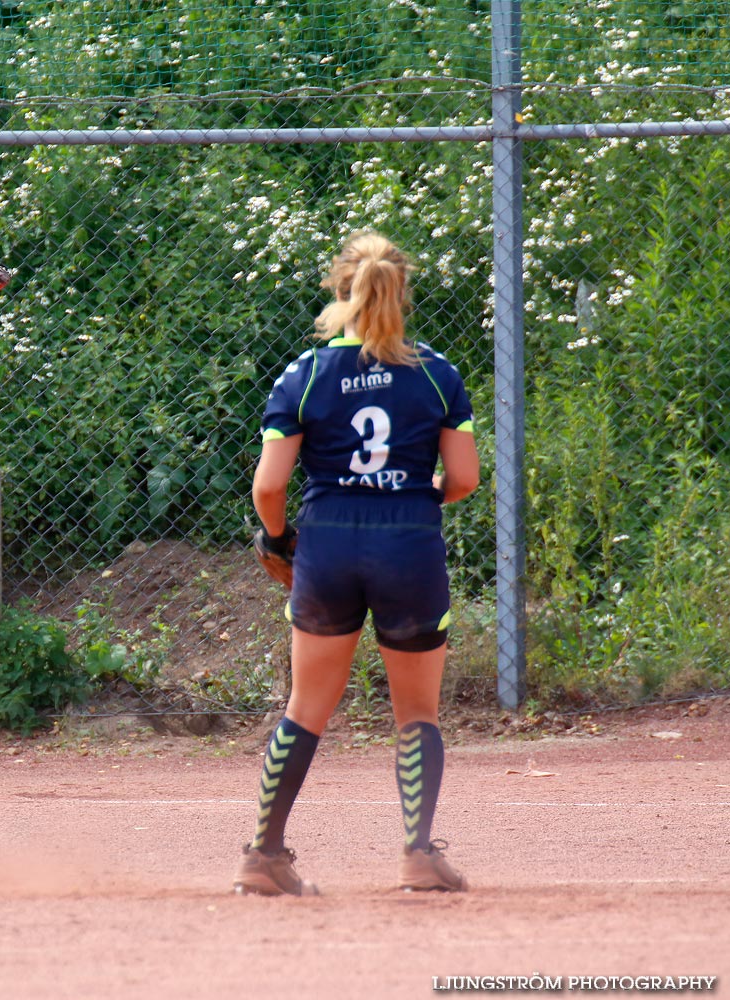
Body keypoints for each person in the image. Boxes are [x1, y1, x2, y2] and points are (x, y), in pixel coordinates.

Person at [233, 232, 480, 896]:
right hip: (408, 541)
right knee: (416, 712)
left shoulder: (305, 374)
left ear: (341, 292)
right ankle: (419, 856)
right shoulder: (436, 373)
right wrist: (417, 494)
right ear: (401, 293)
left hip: (329, 544)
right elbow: (462, 477)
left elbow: (267, 487)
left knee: (306, 706)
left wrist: (280, 539)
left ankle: (264, 856)